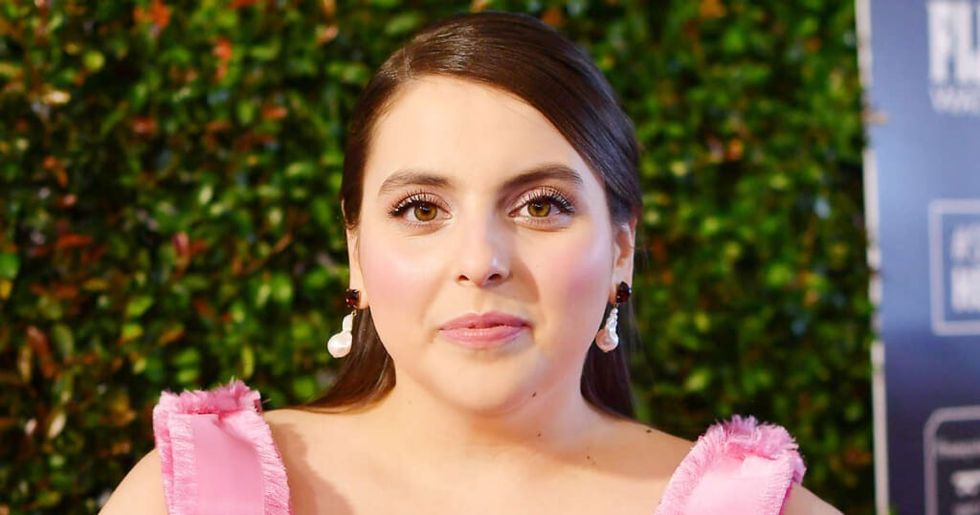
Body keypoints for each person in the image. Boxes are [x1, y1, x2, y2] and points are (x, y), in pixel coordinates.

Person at [102, 11, 842, 514]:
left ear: (622, 246)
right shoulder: (195, 491)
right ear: (356, 250)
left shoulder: (750, 505)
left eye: (542, 205)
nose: (481, 260)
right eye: (422, 208)